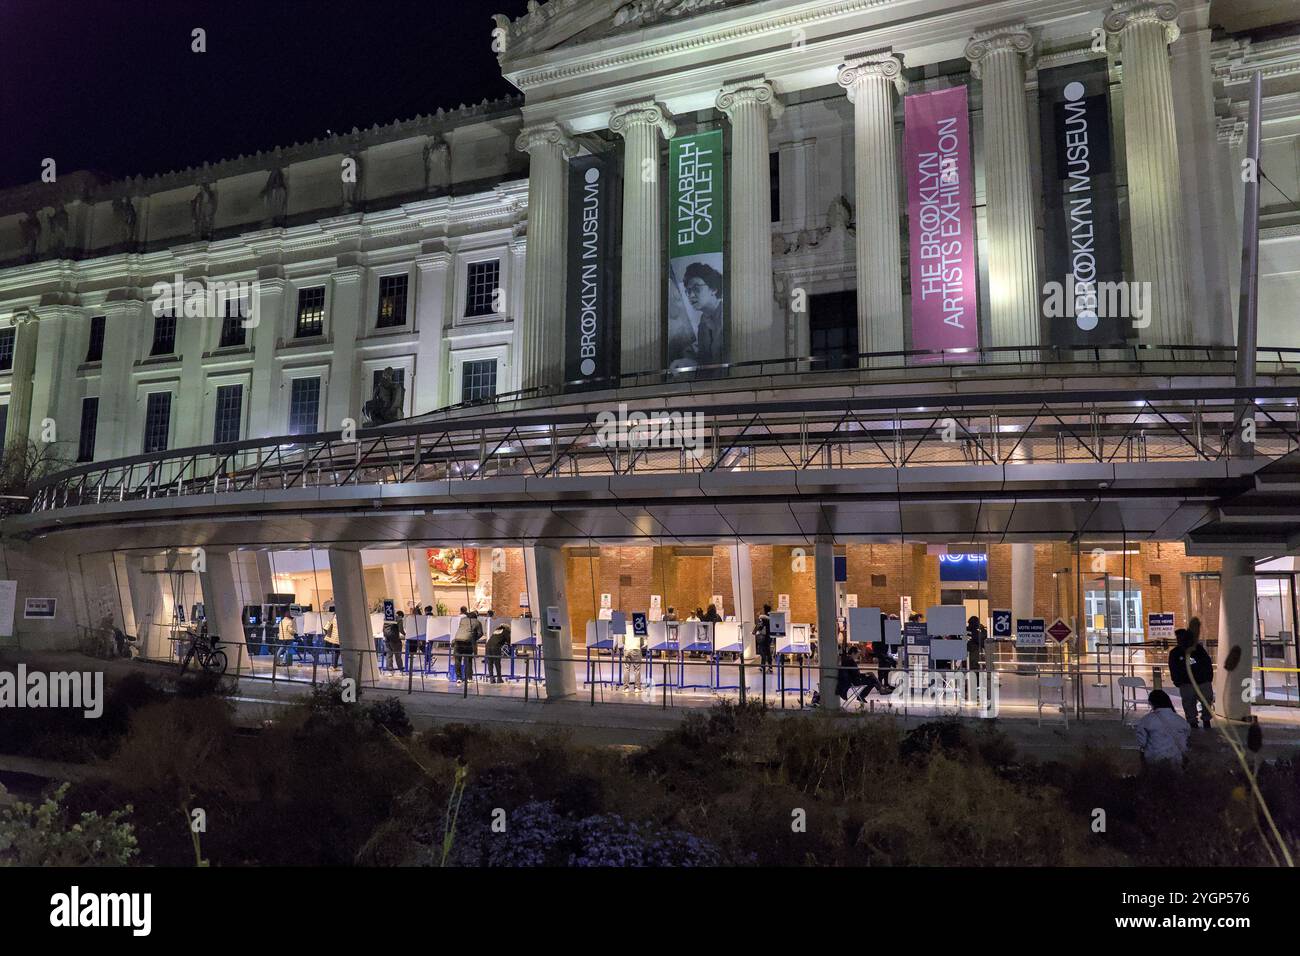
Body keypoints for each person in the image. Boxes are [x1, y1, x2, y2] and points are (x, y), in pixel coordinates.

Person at [1168, 625, 1214, 729]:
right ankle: (1193, 722)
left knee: (1207, 700)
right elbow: (1173, 668)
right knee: (1189, 703)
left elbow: (1207, 663)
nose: (1180, 640)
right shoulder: (1175, 653)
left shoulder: (1198, 649)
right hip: (1187, 683)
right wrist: (1178, 681)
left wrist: (1208, 678)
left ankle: (1206, 719)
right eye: (1178, 638)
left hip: (1202, 681)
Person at [1135, 689, 1191, 765]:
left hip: (1154, 760)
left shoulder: (1146, 720)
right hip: (1176, 760)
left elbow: (1142, 742)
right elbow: (1187, 739)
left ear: (1151, 703)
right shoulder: (1181, 721)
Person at [452, 610, 482, 682]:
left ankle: (458, 678)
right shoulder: (477, 622)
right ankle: (469, 678)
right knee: (468, 660)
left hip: (457, 640)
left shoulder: (462, 620)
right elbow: (480, 633)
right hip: (468, 642)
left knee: (457, 660)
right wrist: (474, 638)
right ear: (476, 617)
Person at [485, 616, 511, 684]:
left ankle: (491, 678)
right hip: (496, 647)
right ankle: (499, 678)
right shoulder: (506, 631)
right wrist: (510, 651)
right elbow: (509, 642)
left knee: (490, 662)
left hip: (488, 646)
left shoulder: (496, 631)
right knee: (497, 663)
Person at [753, 603, 773, 674]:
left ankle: (762, 666)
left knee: (762, 651)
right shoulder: (772, 617)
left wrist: (755, 631)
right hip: (769, 637)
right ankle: (770, 667)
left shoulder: (763, 618)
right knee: (768, 651)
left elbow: (760, 626)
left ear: (764, 609)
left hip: (763, 637)